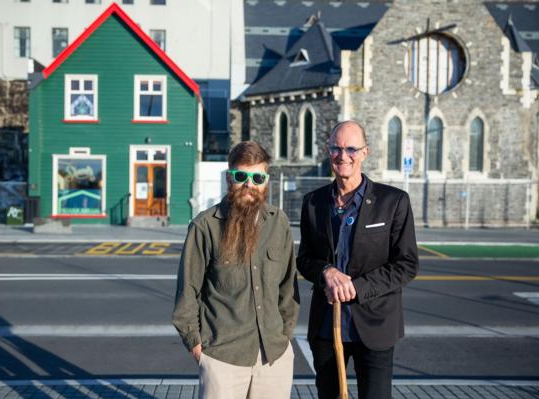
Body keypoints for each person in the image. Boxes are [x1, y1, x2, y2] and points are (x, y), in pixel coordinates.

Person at [297, 120, 419, 399]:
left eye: (351, 148)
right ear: (328, 152)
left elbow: (407, 263)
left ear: (365, 153)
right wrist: (326, 271)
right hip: (327, 327)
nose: (343, 156)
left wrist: (358, 287)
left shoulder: (394, 201)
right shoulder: (313, 202)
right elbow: (304, 259)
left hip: (375, 326)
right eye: (336, 148)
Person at [172, 140, 299, 399]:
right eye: (241, 175)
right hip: (222, 358)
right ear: (229, 178)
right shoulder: (205, 226)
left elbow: (288, 288)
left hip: (274, 357)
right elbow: (187, 294)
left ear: (266, 181)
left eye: (257, 177)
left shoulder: (279, 223)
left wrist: (285, 335)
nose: (248, 184)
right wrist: (197, 346)